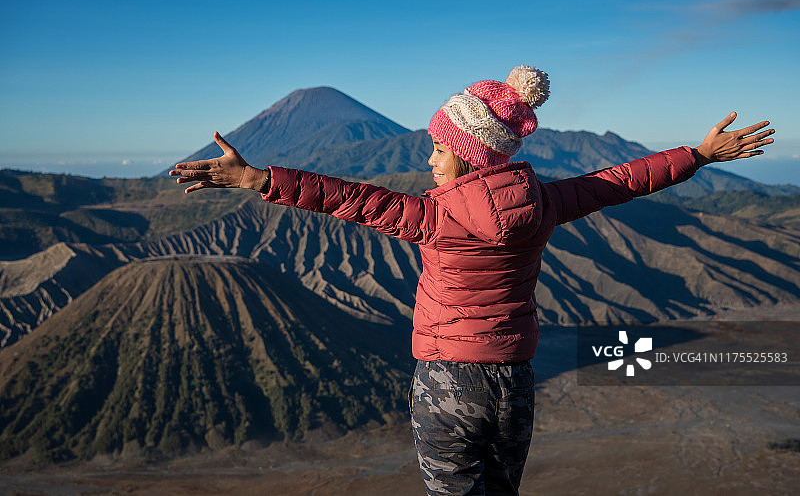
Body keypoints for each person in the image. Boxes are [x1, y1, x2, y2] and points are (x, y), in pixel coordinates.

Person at [170, 65, 774, 496]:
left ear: (469, 151)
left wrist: (257, 180)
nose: (430, 159)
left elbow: (351, 200)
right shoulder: (544, 200)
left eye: (438, 147)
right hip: (514, 381)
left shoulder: (436, 215)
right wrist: (697, 155)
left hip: (448, 380)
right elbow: (616, 181)